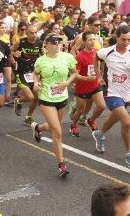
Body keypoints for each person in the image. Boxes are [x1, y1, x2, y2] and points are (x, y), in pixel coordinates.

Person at [91, 26, 130, 168]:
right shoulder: (107, 52)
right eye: (123, 39)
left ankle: (99, 134)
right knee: (126, 122)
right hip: (110, 92)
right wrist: (97, 76)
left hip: (126, 93)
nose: (127, 42)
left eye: (129, 39)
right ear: (117, 37)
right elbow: (96, 56)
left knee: (114, 118)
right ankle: (129, 155)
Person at [30, 34, 78, 178]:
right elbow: (35, 73)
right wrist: (35, 82)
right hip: (46, 98)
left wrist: (66, 83)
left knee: (53, 126)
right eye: (54, 42)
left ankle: (38, 127)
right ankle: (62, 165)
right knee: (57, 131)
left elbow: (75, 73)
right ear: (47, 45)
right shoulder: (41, 61)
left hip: (61, 97)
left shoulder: (67, 57)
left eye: (59, 42)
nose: (58, 44)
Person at [70, 31, 106, 136]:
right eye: (90, 40)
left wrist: (99, 78)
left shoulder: (97, 53)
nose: (92, 42)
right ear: (84, 42)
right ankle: (73, 125)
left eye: (94, 39)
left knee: (101, 106)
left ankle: (91, 120)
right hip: (82, 87)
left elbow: (97, 67)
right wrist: (87, 79)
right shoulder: (80, 56)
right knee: (80, 109)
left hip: (95, 85)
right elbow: (75, 75)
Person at [11, 25, 43, 126]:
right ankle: (18, 100)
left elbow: (45, 55)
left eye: (35, 33)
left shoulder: (39, 42)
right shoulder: (21, 41)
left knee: (36, 97)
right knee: (29, 97)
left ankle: (28, 117)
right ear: (27, 33)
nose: (34, 35)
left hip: (33, 72)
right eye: (31, 33)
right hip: (21, 72)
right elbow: (9, 51)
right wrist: (14, 54)